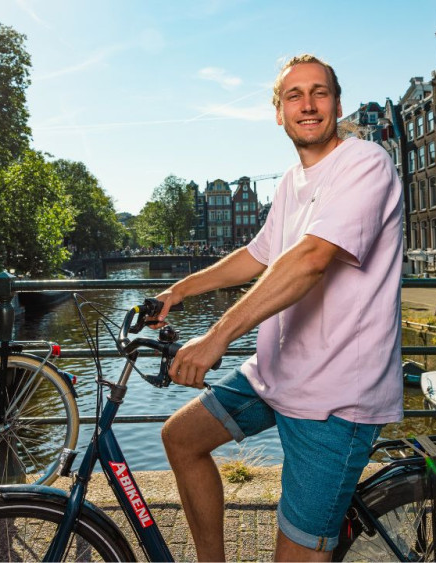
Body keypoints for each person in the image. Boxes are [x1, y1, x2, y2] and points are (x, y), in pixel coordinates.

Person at [154, 53, 404, 561]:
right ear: (278, 112)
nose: (307, 105)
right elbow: (256, 256)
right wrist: (180, 290)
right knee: (181, 439)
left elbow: (313, 258)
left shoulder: (364, 163)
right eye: (294, 95)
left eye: (319, 92)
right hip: (276, 376)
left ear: (337, 103)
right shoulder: (292, 181)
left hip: (335, 399)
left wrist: (217, 335)